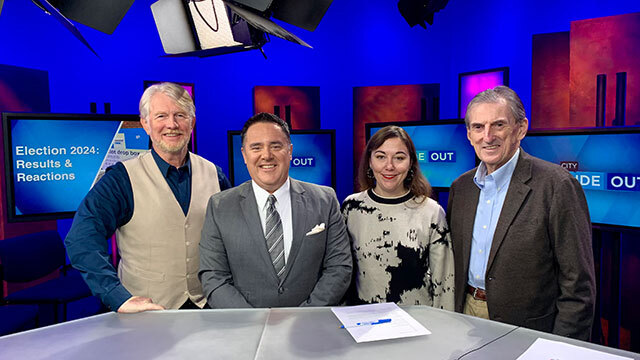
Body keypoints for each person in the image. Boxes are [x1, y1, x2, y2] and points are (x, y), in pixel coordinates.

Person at [65, 82, 231, 313]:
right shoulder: (121, 179)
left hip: (205, 308)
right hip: (146, 313)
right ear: (145, 123)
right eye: (161, 116)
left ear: (192, 122)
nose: (171, 124)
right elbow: (81, 239)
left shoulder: (215, 174)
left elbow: (232, 241)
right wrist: (116, 296)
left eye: (180, 115)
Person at [447, 85, 596, 340]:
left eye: (499, 125)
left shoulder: (557, 185)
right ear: (469, 135)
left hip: (529, 329)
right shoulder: (461, 188)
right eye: (478, 127)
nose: (488, 136)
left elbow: (578, 286)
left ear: (521, 128)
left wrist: (561, 349)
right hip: (465, 316)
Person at [199, 112, 352, 308]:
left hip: (311, 327)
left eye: (276, 146)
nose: (266, 155)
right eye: (256, 147)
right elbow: (213, 276)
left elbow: (339, 268)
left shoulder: (325, 199)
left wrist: (305, 316)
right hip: (246, 329)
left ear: (290, 151)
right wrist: (253, 321)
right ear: (244, 155)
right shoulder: (220, 206)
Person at [341, 126, 454, 310]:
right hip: (362, 321)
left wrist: (444, 328)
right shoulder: (351, 208)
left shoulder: (431, 212)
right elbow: (341, 274)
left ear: (411, 163)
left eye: (399, 158)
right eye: (380, 156)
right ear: (370, 161)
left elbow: (444, 282)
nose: (389, 166)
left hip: (418, 323)